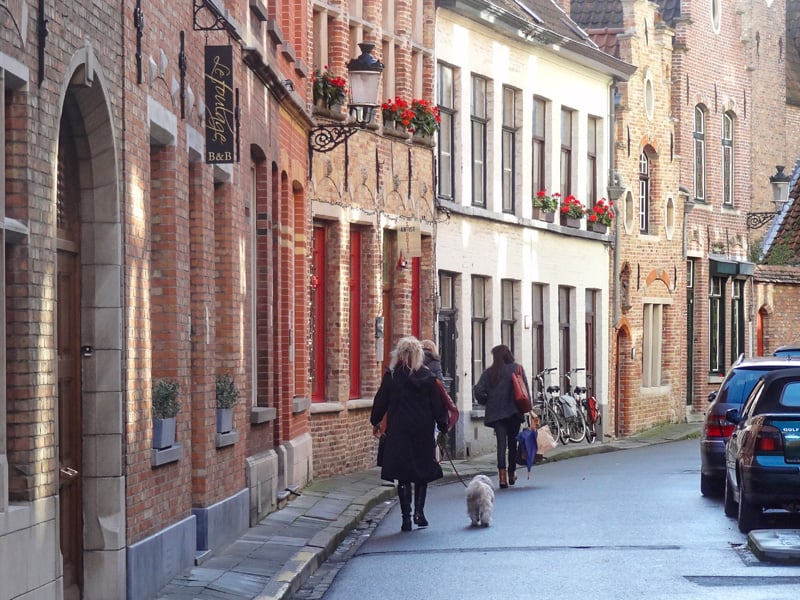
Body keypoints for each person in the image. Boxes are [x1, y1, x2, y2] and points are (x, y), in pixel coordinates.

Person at [371, 336, 449, 531]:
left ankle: (406, 517)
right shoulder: (428, 377)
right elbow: (437, 406)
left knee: (403, 475)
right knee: (421, 472)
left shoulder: (392, 376)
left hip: (399, 431)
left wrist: (376, 420)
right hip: (422, 431)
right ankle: (419, 513)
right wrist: (443, 425)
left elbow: (381, 400)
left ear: (400, 354)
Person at [472, 344, 530, 488]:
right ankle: (511, 473)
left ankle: (502, 478)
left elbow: (478, 390)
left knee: (501, 444)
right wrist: (528, 408)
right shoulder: (517, 369)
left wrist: (486, 401)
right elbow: (525, 390)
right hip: (514, 412)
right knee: (512, 444)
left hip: (497, 414)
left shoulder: (490, 373)